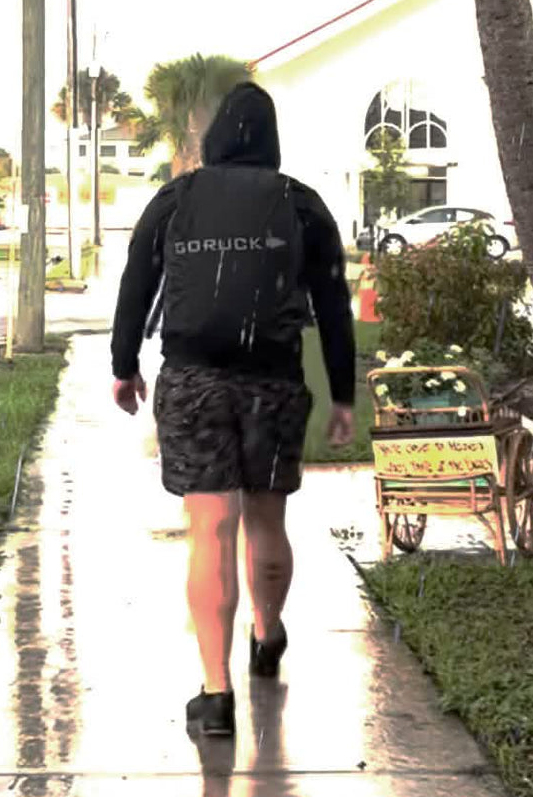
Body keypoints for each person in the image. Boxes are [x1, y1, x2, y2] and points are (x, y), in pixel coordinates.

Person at [110, 81, 355, 738]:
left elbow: (138, 279)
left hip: (194, 381)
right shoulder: (299, 204)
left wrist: (123, 365)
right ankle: (268, 636)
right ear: (270, 141)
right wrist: (343, 394)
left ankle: (215, 696)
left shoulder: (177, 198)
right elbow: (333, 304)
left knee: (211, 529)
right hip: (272, 382)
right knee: (267, 520)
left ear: (216, 137)